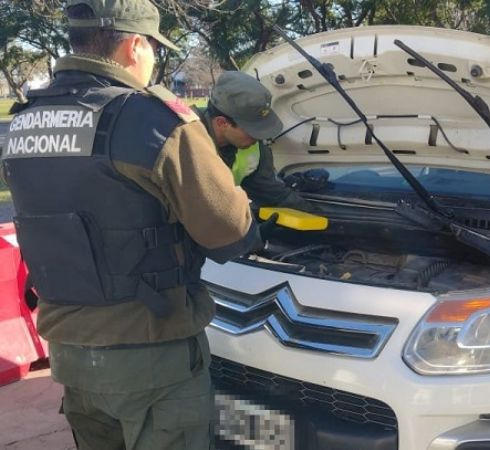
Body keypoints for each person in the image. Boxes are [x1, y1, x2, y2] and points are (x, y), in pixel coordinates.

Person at [1, 0, 271, 448]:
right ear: (134, 46)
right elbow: (230, 232)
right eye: (153, 49)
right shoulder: (154, 121)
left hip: (69, 353)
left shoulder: (26, 122)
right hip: (152, 356)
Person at [194, 71, 317, 211]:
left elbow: (273, 192)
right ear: (222, 123)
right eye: (253, 130)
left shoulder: (253, 147)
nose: (259, 137)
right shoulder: (184, 140)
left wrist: (316, 216)